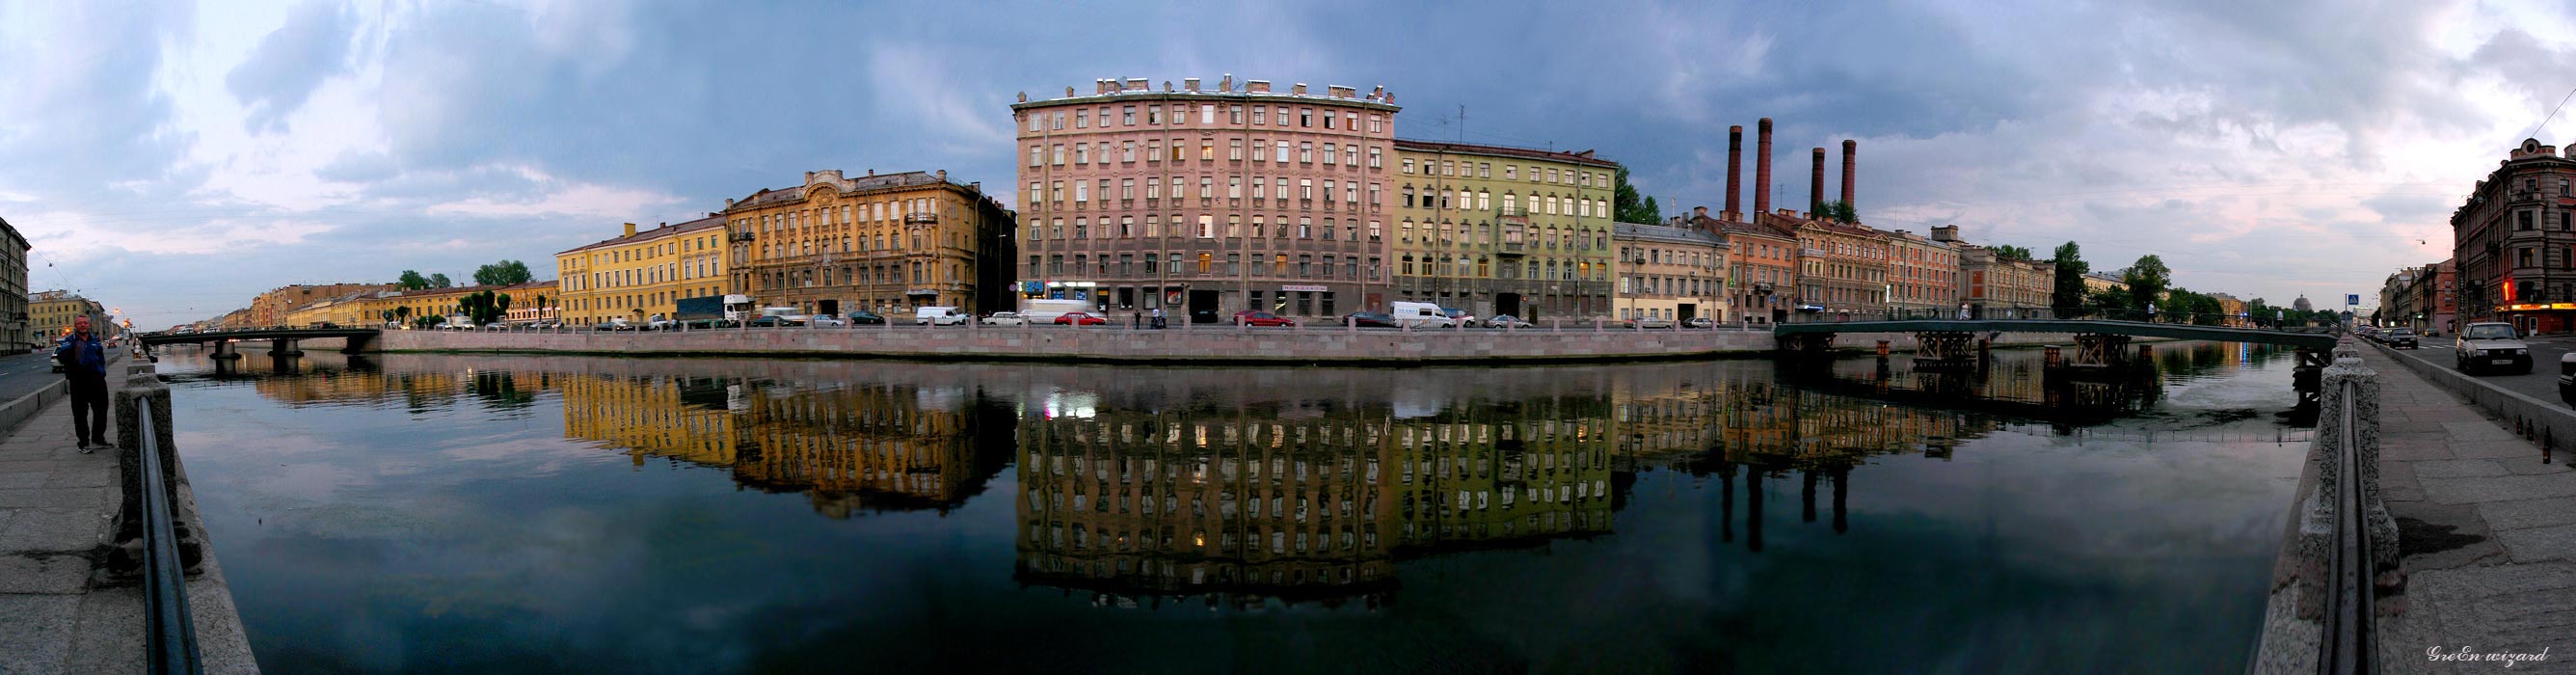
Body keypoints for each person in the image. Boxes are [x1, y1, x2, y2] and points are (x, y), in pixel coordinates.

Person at [56, 315, 111, 452]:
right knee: (80, 413)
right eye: (80, 323)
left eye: (85, 323)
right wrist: (72, 354)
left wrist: (101, 372)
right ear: (75, 326)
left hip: (96, 379)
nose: (83, 325)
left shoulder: (95, 341)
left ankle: (98, 438)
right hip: (78, 380)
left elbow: (101, 358)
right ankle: (83, 442)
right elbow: (61, 357)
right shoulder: (70, 340)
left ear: (89, 325)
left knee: (101, 409)